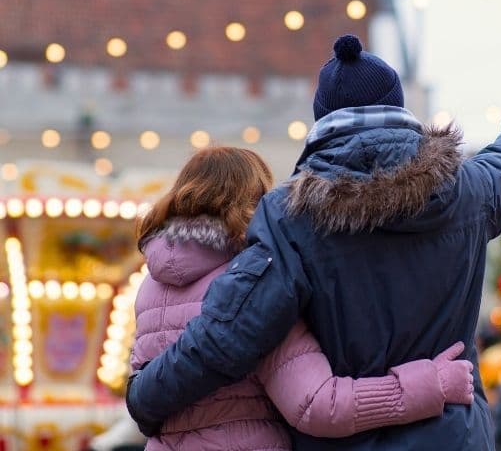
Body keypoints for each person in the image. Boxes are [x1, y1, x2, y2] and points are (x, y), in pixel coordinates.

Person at [127, 34, 501, 450]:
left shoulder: (289, 215)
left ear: (323, 117)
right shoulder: (468, 190)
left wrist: (147, 397)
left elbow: (229, 335)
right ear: (397, 105)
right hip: (453, 434)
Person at [131, 146, 474, 450]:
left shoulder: (151, 283)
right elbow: (318, 404)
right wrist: (433, 384)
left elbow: (143, 381)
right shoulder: (252, 285)